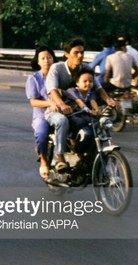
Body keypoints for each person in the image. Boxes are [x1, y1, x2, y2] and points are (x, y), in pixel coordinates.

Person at [45, 38, 115, 170]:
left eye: (82, 52)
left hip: (80, 112)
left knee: (96, 126)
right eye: (76, 53)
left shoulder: (86, 68)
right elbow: (52, 90)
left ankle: (86, 159)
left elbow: (99, 88)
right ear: (66, 54)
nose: (80, 56)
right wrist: (62, 105)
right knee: (61, 121)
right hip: (56, 110)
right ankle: (60, 158)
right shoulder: (57, 68)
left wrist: (109, 101)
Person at [26, 45, 58, 180]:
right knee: (42, 134)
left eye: (49, 57)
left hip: (59, 113)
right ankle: (44, 161)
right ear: (38, 61)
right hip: (42, 115)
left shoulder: (59, 75)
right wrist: (50, 103)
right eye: (43, 58)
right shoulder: (33, 79)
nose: (46, 61)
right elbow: (33, 102)